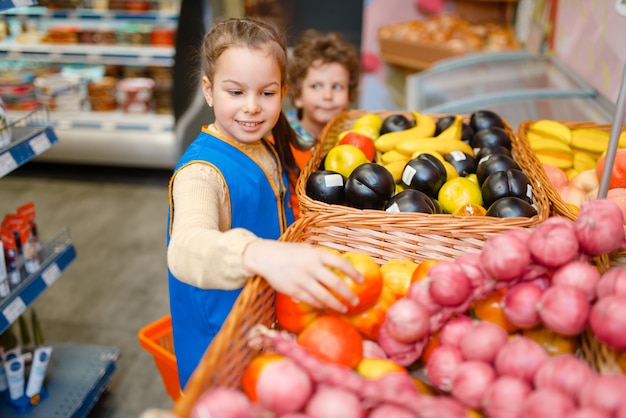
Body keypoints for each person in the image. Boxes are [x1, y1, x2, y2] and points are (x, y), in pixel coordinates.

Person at [166, 17, 363, 391]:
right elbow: (187, 247)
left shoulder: (267, 147)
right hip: (222, 346)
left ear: (284, 92)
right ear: (208, 91)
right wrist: (260, 254)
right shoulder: (201, 174)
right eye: (236, 93)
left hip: (266, 326)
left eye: (267, 93)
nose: (253, 108)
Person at [287, 29, 361, 170]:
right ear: (298, 95)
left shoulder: (355, 139)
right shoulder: (281, 145)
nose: (328, 96)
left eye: (337, 87)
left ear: (350, 94)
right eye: (316, 86)